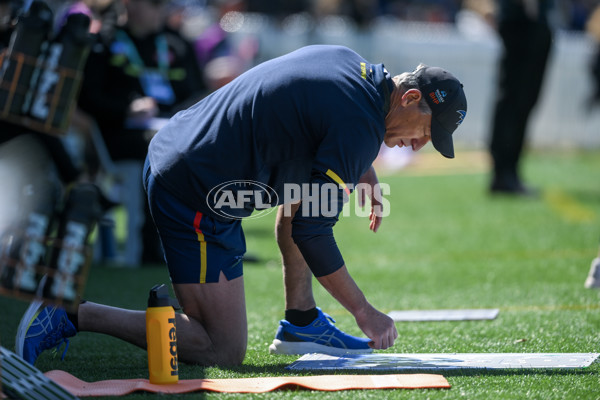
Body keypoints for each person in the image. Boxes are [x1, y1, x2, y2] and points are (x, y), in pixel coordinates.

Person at [16, 45, 467, 366]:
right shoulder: (358, 125)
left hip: (184, 148)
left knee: (311, 193)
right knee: (220, 348)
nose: (418, 147)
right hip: (191, 189)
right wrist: (364, 311)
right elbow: (313, 231)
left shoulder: (355, 67)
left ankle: (302, 320)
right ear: (410, 98)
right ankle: (70, 313)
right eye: (428, 132)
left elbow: (316, 116)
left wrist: (361, 170)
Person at [77, 0, 205, 266]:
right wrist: (126, 108)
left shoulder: (176, 43)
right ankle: (149, 247)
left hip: (171, 129)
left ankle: (202, 242)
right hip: (120, 136)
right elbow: (86, 99)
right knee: (159, 148)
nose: (162, 10)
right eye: (154, 4)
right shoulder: (104, 42)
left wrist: (180, 114)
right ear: (131, 5)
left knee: (199, 145)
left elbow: (199, 93)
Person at [488, 0, 553, 195]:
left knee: (523, 100)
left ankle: (509, 171)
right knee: (515, 100)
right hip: (524, 18)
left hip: (530, 18)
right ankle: (504, 173)